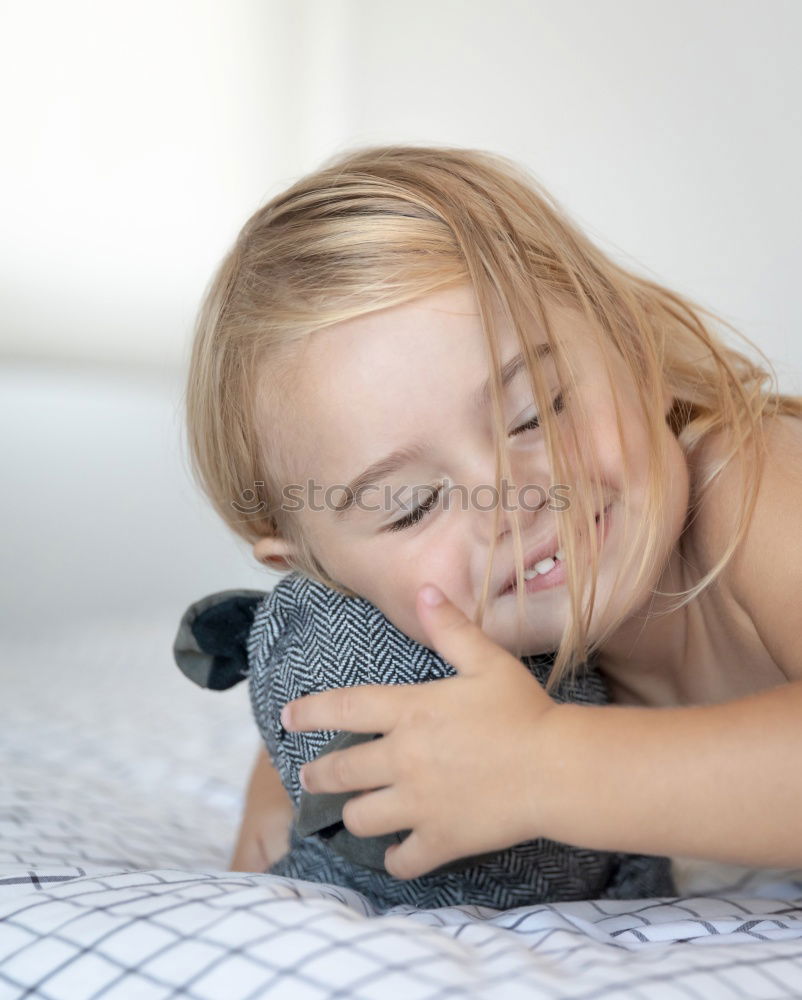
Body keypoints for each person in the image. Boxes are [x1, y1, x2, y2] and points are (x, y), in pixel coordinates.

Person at [184, 143, 802, 883]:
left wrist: (544, 766)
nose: (512, 497)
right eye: (410, 507)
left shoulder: (754, 479)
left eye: (537, 412)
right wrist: (284, 778)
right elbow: (334, 677)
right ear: (325, 576)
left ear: (629, 340)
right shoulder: (454, 621)